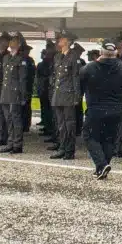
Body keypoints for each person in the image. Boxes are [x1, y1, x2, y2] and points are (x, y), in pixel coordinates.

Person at [81, 39, 122, 178]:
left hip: (96, 109)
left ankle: (102, 165)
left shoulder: (89, 68)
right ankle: (102, 168)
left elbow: (81, 84)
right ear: (115, 53)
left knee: (89, 136)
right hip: (117, 110)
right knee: (109, 140)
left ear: (101, 52)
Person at [49, 32, 82, 160]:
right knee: (61, 124)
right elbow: (55, 76)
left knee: (69, 124)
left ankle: (69, 150)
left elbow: (75, 78)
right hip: (58, 94)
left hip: (68, 95)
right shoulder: (58, 56)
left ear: (68, 41)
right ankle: (62, 148)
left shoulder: (73, 57)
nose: (59, 40)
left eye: (61, 39)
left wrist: (77, 96)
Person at [0, 33, 29, 154]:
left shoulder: (21, 59)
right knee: (8, 119)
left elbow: (23, 79)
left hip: (15, 92)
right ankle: (10, 142)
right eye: (10, 41)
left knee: (16, 119)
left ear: (19, 44)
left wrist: (23, 95)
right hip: (6, 92)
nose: (10, 43)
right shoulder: (6, 57)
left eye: (13, 41)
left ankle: (17, 144)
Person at [36, 36, 57, 140]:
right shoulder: (45, 62)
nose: (47, 51)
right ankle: (48, 127)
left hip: (51, 90)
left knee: (52, 112)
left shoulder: (54, 60)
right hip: (44, 89)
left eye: (49, 49)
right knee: (46, 110)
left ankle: (52, 131)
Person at [18, 41, 37, 146]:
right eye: (26, 51)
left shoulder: (30, 60)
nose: (27, 52)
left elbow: (32, 73)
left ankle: (26, 125)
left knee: (26, 106)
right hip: (19, 87)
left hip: (28, 86)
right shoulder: (20, 59)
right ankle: (22, 124)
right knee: (20, 107)